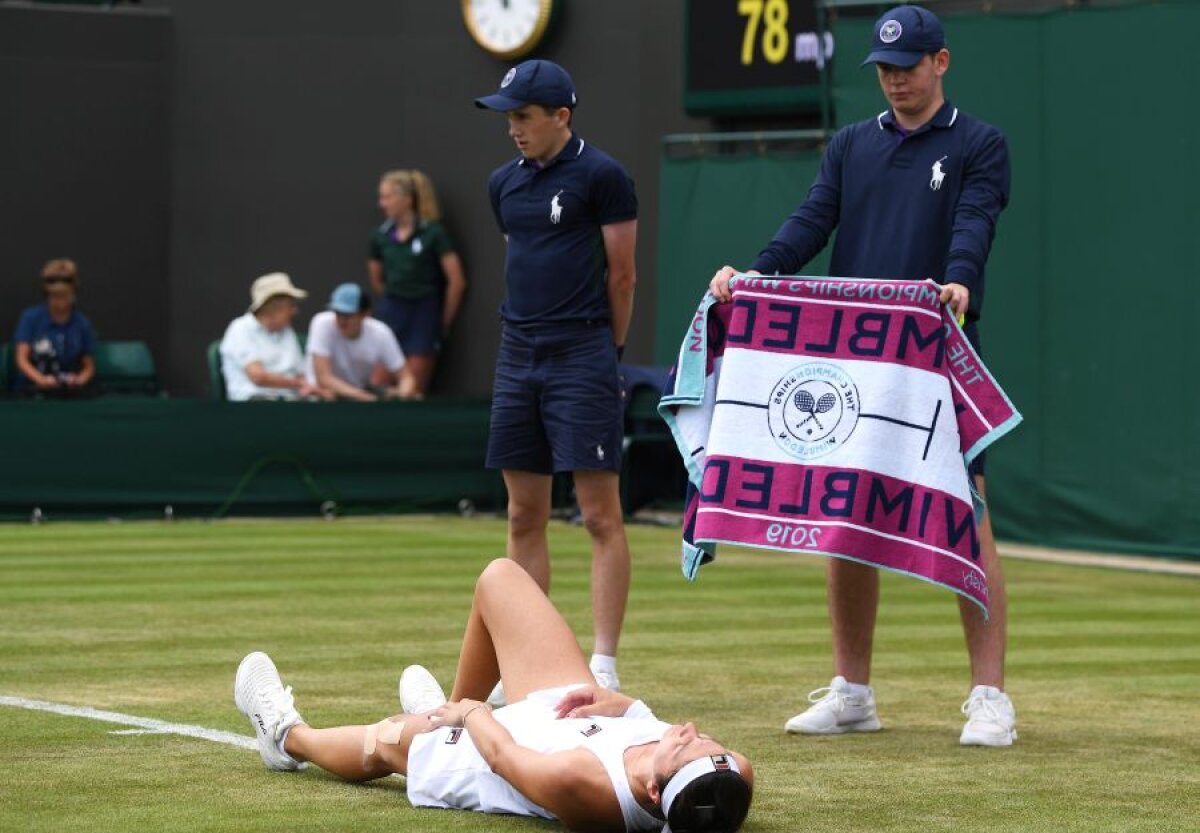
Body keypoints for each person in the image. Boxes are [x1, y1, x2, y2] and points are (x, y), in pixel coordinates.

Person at [708, 5, 1014, 746]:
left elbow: (975, 221)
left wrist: (961, 282)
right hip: (854, 358)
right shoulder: (851, 145)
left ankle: (989, 695)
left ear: (941, 63)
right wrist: (760, 272)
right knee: (844, 519)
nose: (895, 80)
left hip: (937, 353)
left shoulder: (980, 144)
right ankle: (853, 692)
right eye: (884, 69)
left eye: (908, 66)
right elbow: (813, 220)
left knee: (967, 514)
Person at [234, 558, 753, 833]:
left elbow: (503, 757)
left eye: (684, 746)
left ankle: (286, 738)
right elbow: (686, 747)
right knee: (500, 578)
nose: (688, 730)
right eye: (707, 742)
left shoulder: (584, 787)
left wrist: (473, 714)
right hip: (576, 718)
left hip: (498, 757)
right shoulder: (730, 776)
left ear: (654, 796)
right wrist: (627, 709)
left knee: (388, 742)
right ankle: (441, 715)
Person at [474, 59, 638, 695]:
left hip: (583, 354)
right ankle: (526, 661)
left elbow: (622, 276)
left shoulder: (603, 176)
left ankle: (603, 665)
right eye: (508, 117)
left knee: (600, 516)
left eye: (523, 116)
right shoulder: (502, 185)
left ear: (560, 116)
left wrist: (608, 352)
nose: (513, 129)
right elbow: (521, 259)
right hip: (517, 353)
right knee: (522, 514)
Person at [368, 169, 468, 397]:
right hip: (390, 314)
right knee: (376, 386)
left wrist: (442, 321)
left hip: (423, 315)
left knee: (412, 391)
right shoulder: (380, 236)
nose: (382, 204)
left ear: (407, 199)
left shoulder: (433, 233)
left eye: (387, 197)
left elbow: (457, 281)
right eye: (381, 197)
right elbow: (377, 278)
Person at [219, 272, 331, 402]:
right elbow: (258, 377)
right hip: (252, 406)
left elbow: (301, 375)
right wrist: (298, 384)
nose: (295, 311)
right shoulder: (240, 328)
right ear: (273, 306)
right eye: (291, 305)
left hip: (290, 403)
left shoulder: (287, 332)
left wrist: (315, 389)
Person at [305, 282, 415, 401]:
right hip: (320, 397)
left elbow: (406, 378)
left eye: (348, 315)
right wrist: (366, 397)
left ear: (365, 314)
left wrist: (404, 394)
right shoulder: (321, 323)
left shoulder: (381, 332)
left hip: (360, 395)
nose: (341, 320)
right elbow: (323, 378)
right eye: (337, 313)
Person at [12, 258, 96, 397]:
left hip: (68, 394)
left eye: (64, 296)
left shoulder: (82, 324)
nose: (60, 303)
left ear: (73, 293)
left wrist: (78, 380)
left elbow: (89, 367)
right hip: (31, 392)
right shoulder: (30, 318)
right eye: (55, 296)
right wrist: (41, 380)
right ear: (47, 294)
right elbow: (21, 359)